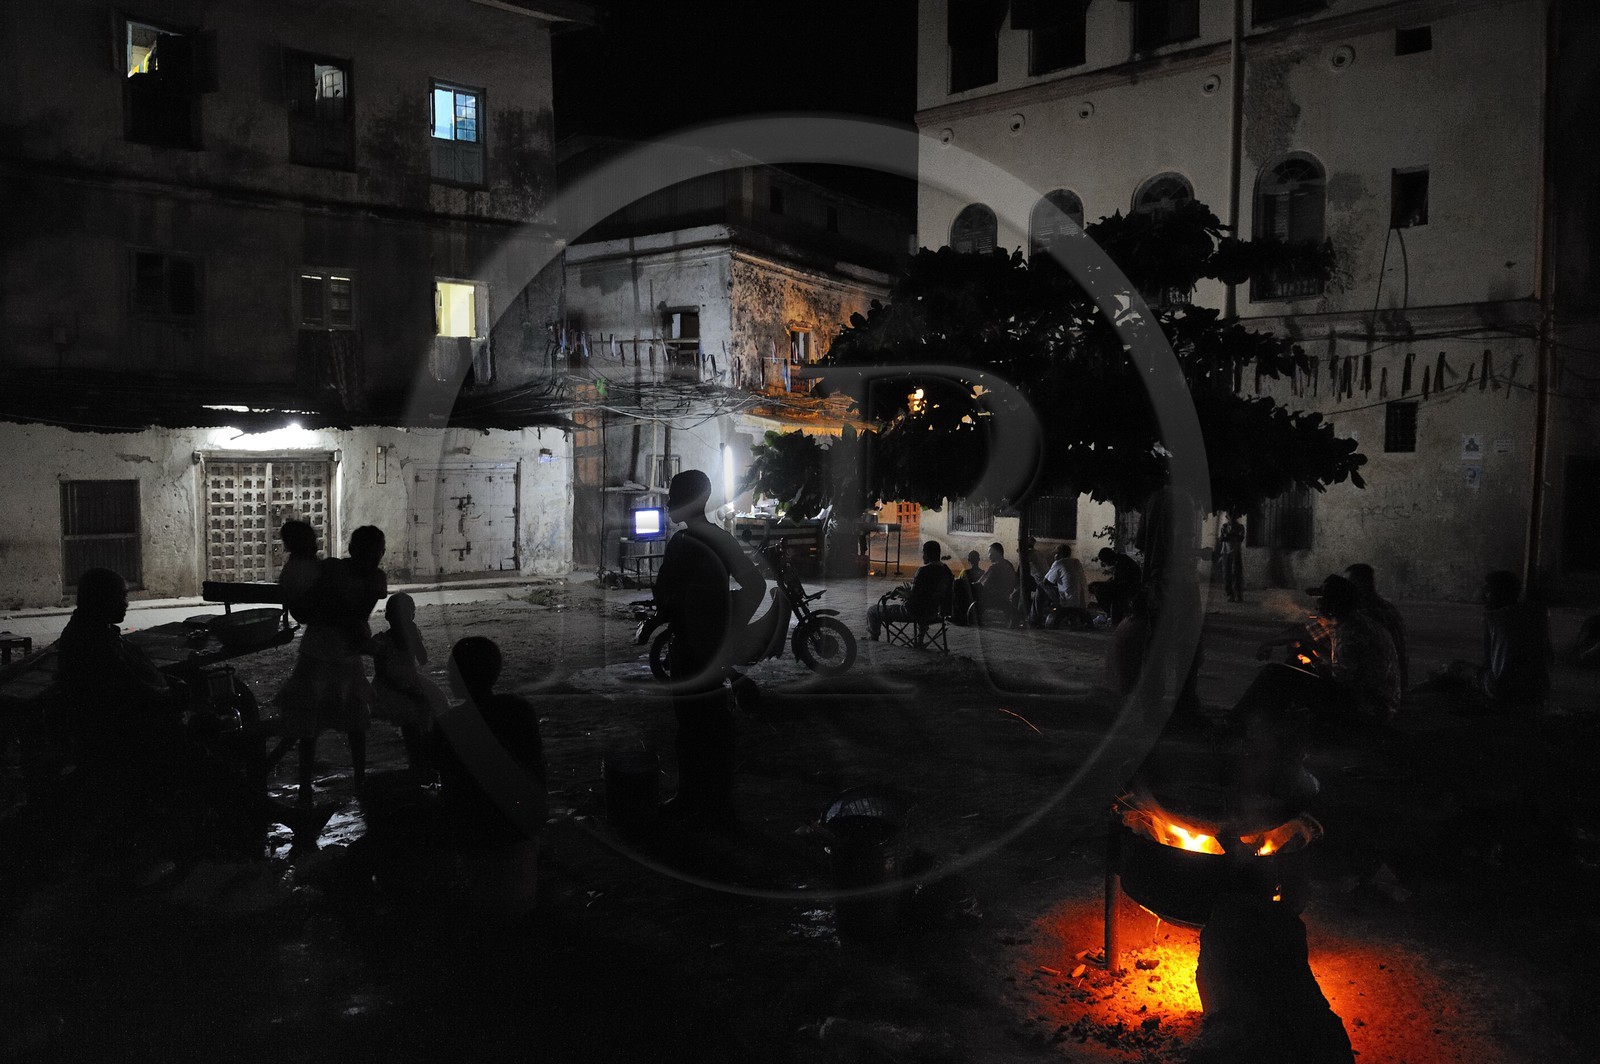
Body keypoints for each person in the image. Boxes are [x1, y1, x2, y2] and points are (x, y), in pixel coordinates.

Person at [652, 469, 764, 825]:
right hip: (714, 649)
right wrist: (729, 621)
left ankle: (691, 798)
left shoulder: (683, 545)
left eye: (673, 495)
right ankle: (718, 803)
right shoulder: (721, 539)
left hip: (689, 649)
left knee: (691, 729)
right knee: (715, 726)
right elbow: (756, 587)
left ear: (689, 501)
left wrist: (697, 612)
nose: (668, 502)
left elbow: (664, 599)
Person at [433, 636, 546, 915]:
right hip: (520, 826)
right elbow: (537, 769)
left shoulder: (448, 724)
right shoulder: (520, 711)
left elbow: (443, 779)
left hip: (475, 833)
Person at [275, 525, 387, 801]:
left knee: (318, 720)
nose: (376, 556)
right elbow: (353, 616)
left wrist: (329, 611)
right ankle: (345, 778)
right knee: (338, 720)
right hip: (338, 653)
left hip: (323, 650)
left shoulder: (336, 570)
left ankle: (308, 784)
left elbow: (322, 611)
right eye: (373, 551)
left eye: (378, 551)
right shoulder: (368, 578)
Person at [1235, 574, 1402, 728]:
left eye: (1321, 599)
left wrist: (1313, 661)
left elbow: (1340, 683)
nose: (1317, 604)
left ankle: (1236, 724)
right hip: (1374, 701)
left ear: (1333, 606)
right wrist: (1278, 643)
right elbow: (1304, 633)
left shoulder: (1349, 634)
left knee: (1274, 673)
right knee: (1296, 660)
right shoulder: (1351, 622)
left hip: (1369, 709)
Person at [369, 593, 444, 775]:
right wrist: (406, 690)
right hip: (390, 687)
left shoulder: (386, 639)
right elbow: (383, 675)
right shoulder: (382, 642)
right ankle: (417, 760)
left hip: (409, 681)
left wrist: (414, 638)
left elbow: (422, 658)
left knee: (426, 711)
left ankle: (420, 758)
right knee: (412, 717)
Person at [867, 539, 955, 640]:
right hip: (935, 613)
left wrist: (899, 591)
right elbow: (926, 593)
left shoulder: (923, 571)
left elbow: (913, 597)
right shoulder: (946, 570)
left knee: (872, 610)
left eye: (923, 553)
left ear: (927, 554)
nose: (922, 556)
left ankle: (873, 639)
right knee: (924, 606)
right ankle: (920, 639)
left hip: (914, 612)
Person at [1343, 563, 1408, 691]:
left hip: (1379, 690)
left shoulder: (1363, 613)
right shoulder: (1388, 608)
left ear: (1357, 585)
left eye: (1347, 584)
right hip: (1397, 685)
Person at [1033, 543, 1090, 627]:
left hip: (1067, 601)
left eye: (1056, 553)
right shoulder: (1076, 562)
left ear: (1059, 554)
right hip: (1081, 602)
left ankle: (1034, 619)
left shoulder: (1059, 563)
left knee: (1041, 586)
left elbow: (1046, 582)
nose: (1054, 555)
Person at [1091, 547, 1143, 627]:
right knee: (1100, 588)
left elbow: (1118, 582)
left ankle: (1112, 615)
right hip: (1126, 586)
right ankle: (1112, 615)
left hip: (1130, 587)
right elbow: (1116, 580)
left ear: (1108, 558)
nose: (1106, 564)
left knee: (1099, 590)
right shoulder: (1120, 560)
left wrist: (1099, 583)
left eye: (1105, 561)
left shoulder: (1122, 562)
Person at [970, 542, 1018, 625]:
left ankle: (959, 616)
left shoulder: (995, 567)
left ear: (997, 553)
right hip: (1005, 594)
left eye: (990, 553)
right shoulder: (1009, 564)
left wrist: (968, 584)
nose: (989, 556)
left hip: (993, 596)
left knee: (962, 586)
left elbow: (981, 584)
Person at [951, 549, 983, 626]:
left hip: (965, 598)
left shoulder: (965, 572)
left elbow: (958, 585)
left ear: (969, 560)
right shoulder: (983, 573)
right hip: (978, 597)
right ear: (979, 559)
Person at [1218, 513, 1245, 603]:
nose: (1231, 518)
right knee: (1227, 574)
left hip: (1235, 552)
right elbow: (1222, 538)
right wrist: (1231, 536)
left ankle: (1238, 594)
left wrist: (1228, 536)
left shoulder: (1240, 527)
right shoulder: (1224, 526)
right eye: (1230, 516)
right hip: (1225, 552)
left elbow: (1240, 538)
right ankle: (1230, 594)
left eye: (1233, 516)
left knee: (1236, 573)